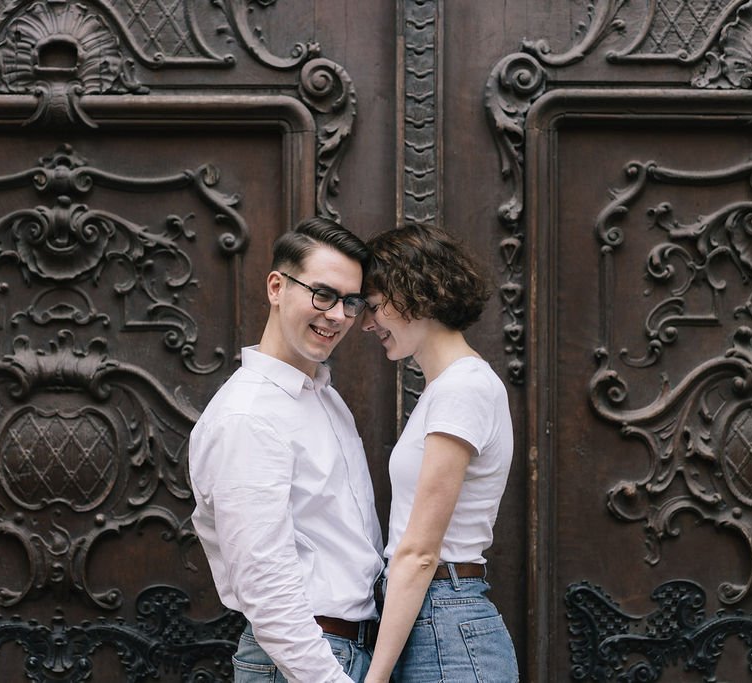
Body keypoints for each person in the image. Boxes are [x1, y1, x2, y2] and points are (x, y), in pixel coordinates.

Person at [188, 217, 384, 682]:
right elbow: (265, 585)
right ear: (277, 287)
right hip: (303, 664)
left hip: (351, 651)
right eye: (322, 294)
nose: (336, 315)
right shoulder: (249, 416)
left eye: (350, 302)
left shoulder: (324, 397)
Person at [360, 223, 519, 682]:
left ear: (413, 294)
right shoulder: (447, 389)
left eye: (373, 307)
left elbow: (421, 552)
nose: (368, 324)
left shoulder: (462, 389)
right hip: (435, 619)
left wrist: (375, 677)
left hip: (444, 623)